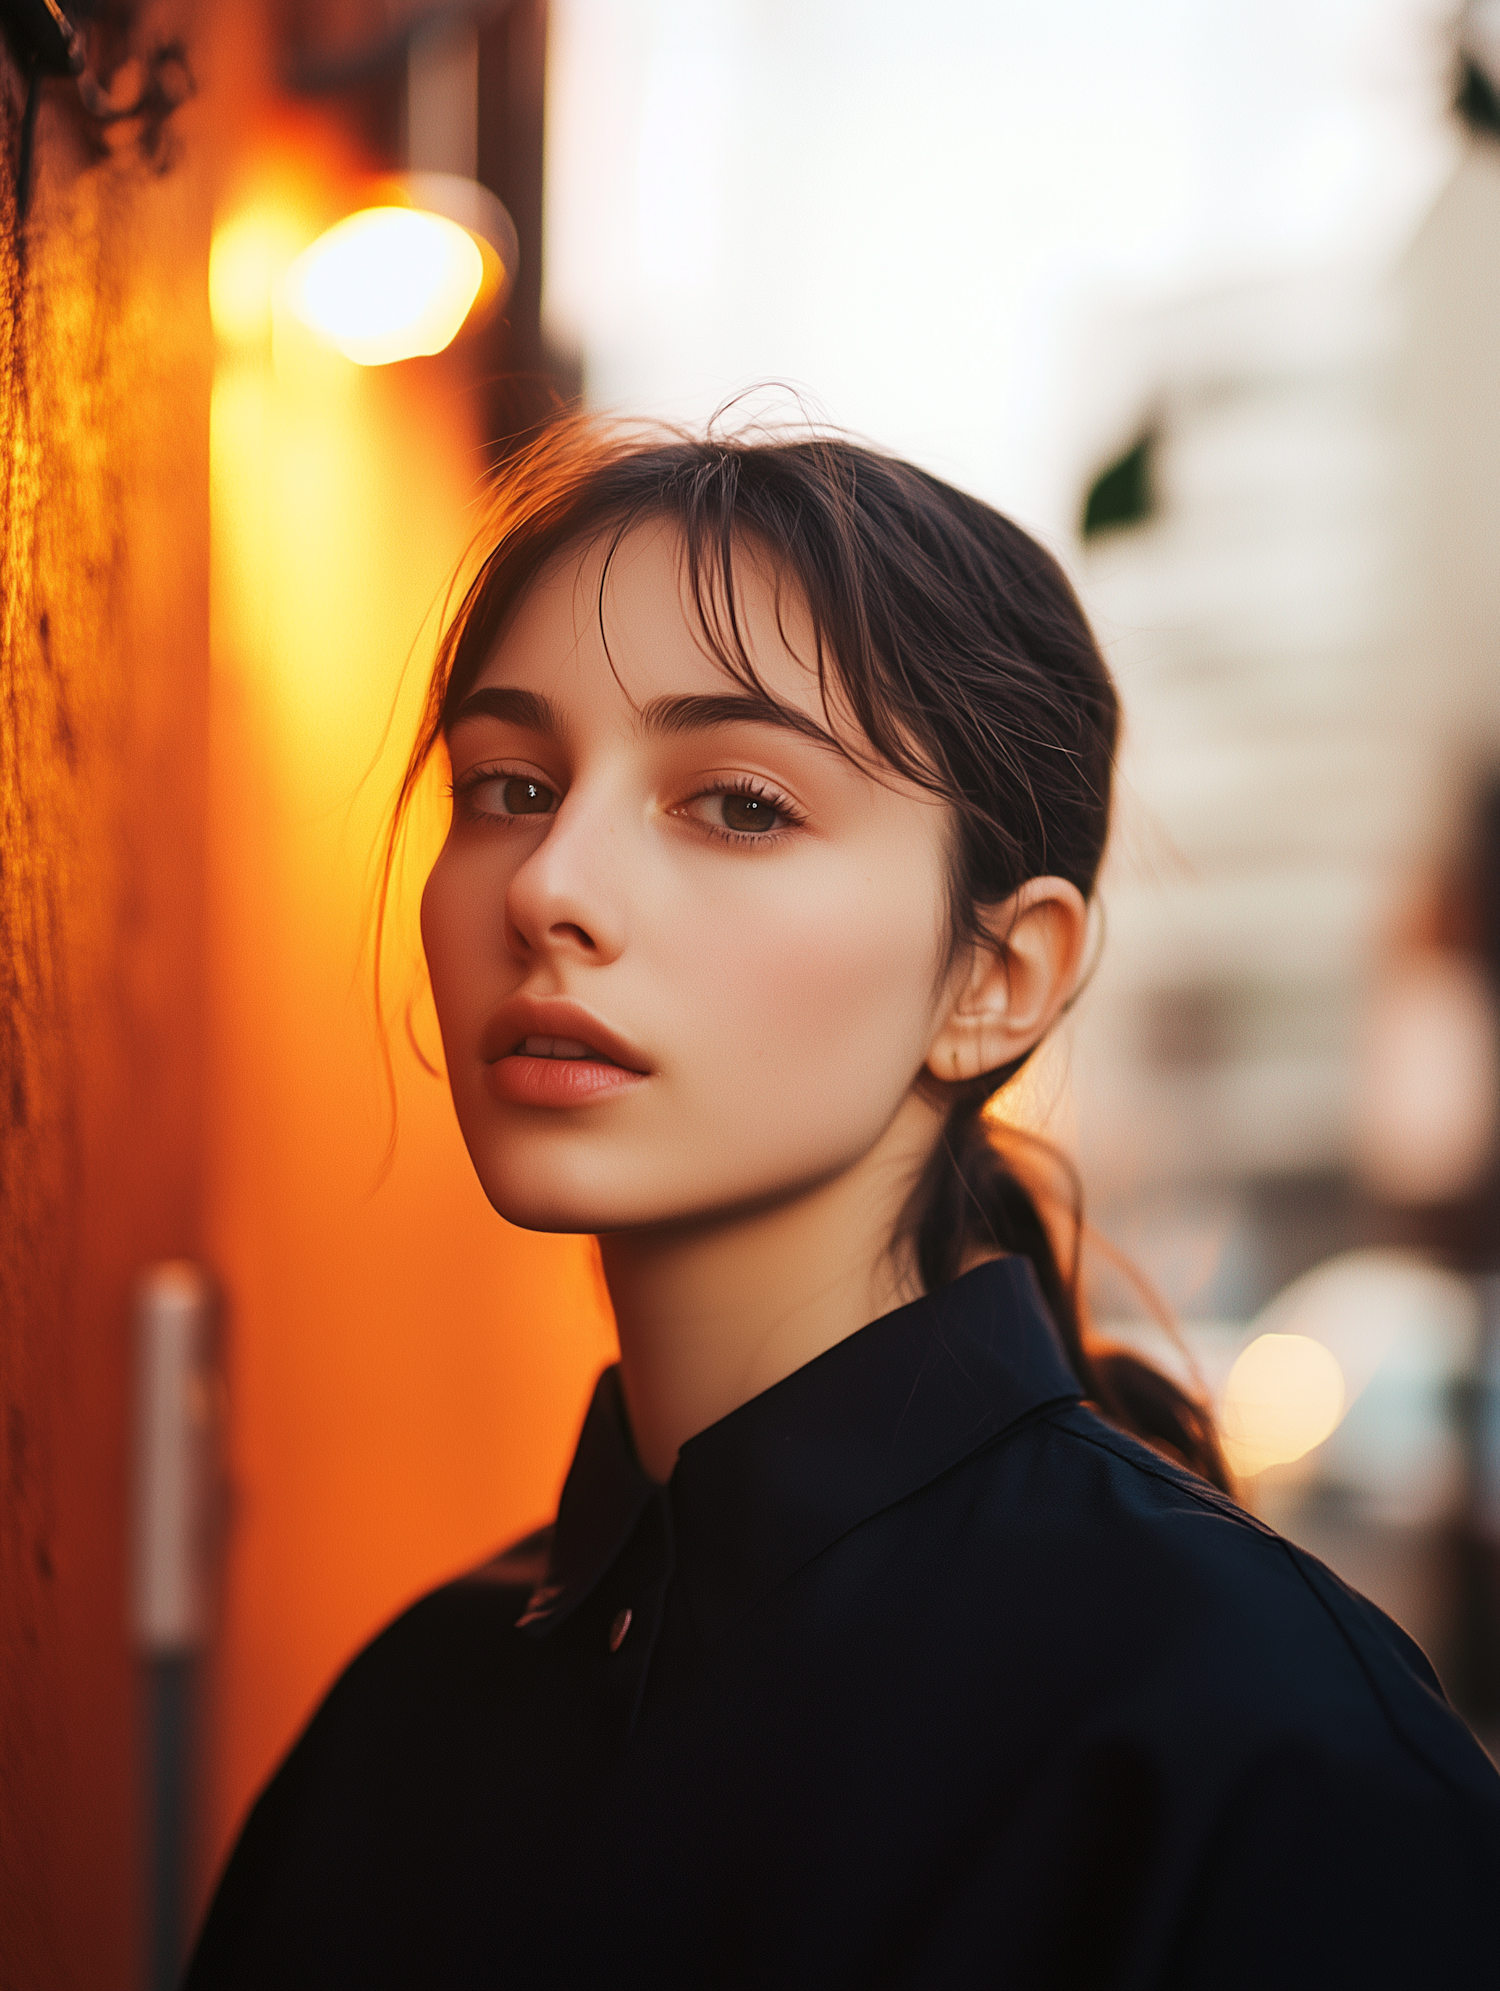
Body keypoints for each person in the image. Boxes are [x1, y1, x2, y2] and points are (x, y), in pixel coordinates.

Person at [185, 418, 1500, 1988]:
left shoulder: (1259, 1742)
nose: (548, 885)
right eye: (509, 782)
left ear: (997, 978)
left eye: (738, 803)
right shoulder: (409, 1719)